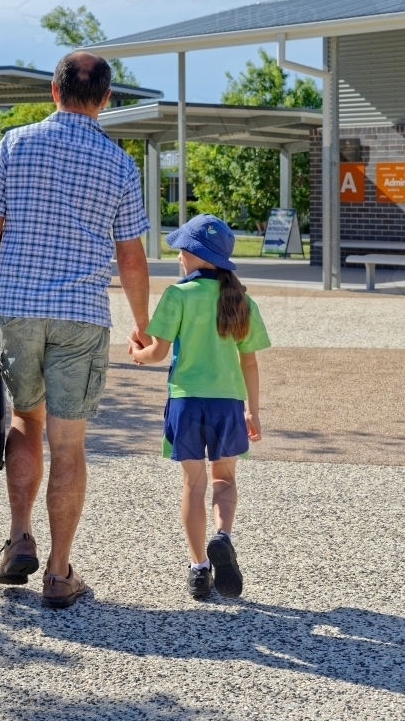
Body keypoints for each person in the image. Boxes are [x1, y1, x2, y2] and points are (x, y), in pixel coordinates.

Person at [0, 51, 151, 609]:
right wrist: (142, 323)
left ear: (54, 93)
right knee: (68, 442)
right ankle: (59, 574)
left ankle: (17, 538)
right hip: (82, 315)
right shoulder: (120, 164)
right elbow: (130, 257)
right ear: (106, 100)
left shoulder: (15, 143)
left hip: (18, 307)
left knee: (23, 420)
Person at [128, 214, 270, 600]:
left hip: (186, 402)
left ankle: (198, 568)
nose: (178, 256)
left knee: (193, 485)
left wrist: (138, 353)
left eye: (181, 249)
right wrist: (252, 411)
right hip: (227, 404)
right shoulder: (240, 299)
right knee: (224, 480)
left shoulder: (178, 295)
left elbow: (157, 353)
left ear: (194, 254)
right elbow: (250, 362)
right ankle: (222, 537)